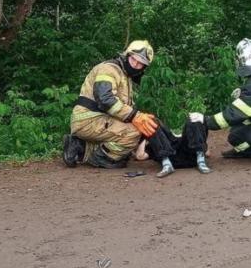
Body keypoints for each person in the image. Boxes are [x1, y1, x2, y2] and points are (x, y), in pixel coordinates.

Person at [62, 40, 160, 169]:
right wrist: (134, 116)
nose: (136, 65)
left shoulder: (124, 75)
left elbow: (121, 107)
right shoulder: (109, 69)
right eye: (134, 60)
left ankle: (79, 147)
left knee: (136, 131)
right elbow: (105, 99)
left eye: (140, 64)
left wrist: (138, 116)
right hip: (89, 119)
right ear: (127, 55)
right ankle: (100, 158)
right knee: (135, 132)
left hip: (97, 119)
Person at [133, 113, 212, 177]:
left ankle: (200, 161)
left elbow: (140, 156)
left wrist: (144, 136)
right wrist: (144, 134)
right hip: (178, 157)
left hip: (182, 156)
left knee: (194, 117)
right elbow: (140, 156)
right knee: (150, 122)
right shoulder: (153, 146)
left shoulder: (155, 145)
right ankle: (201, 161)